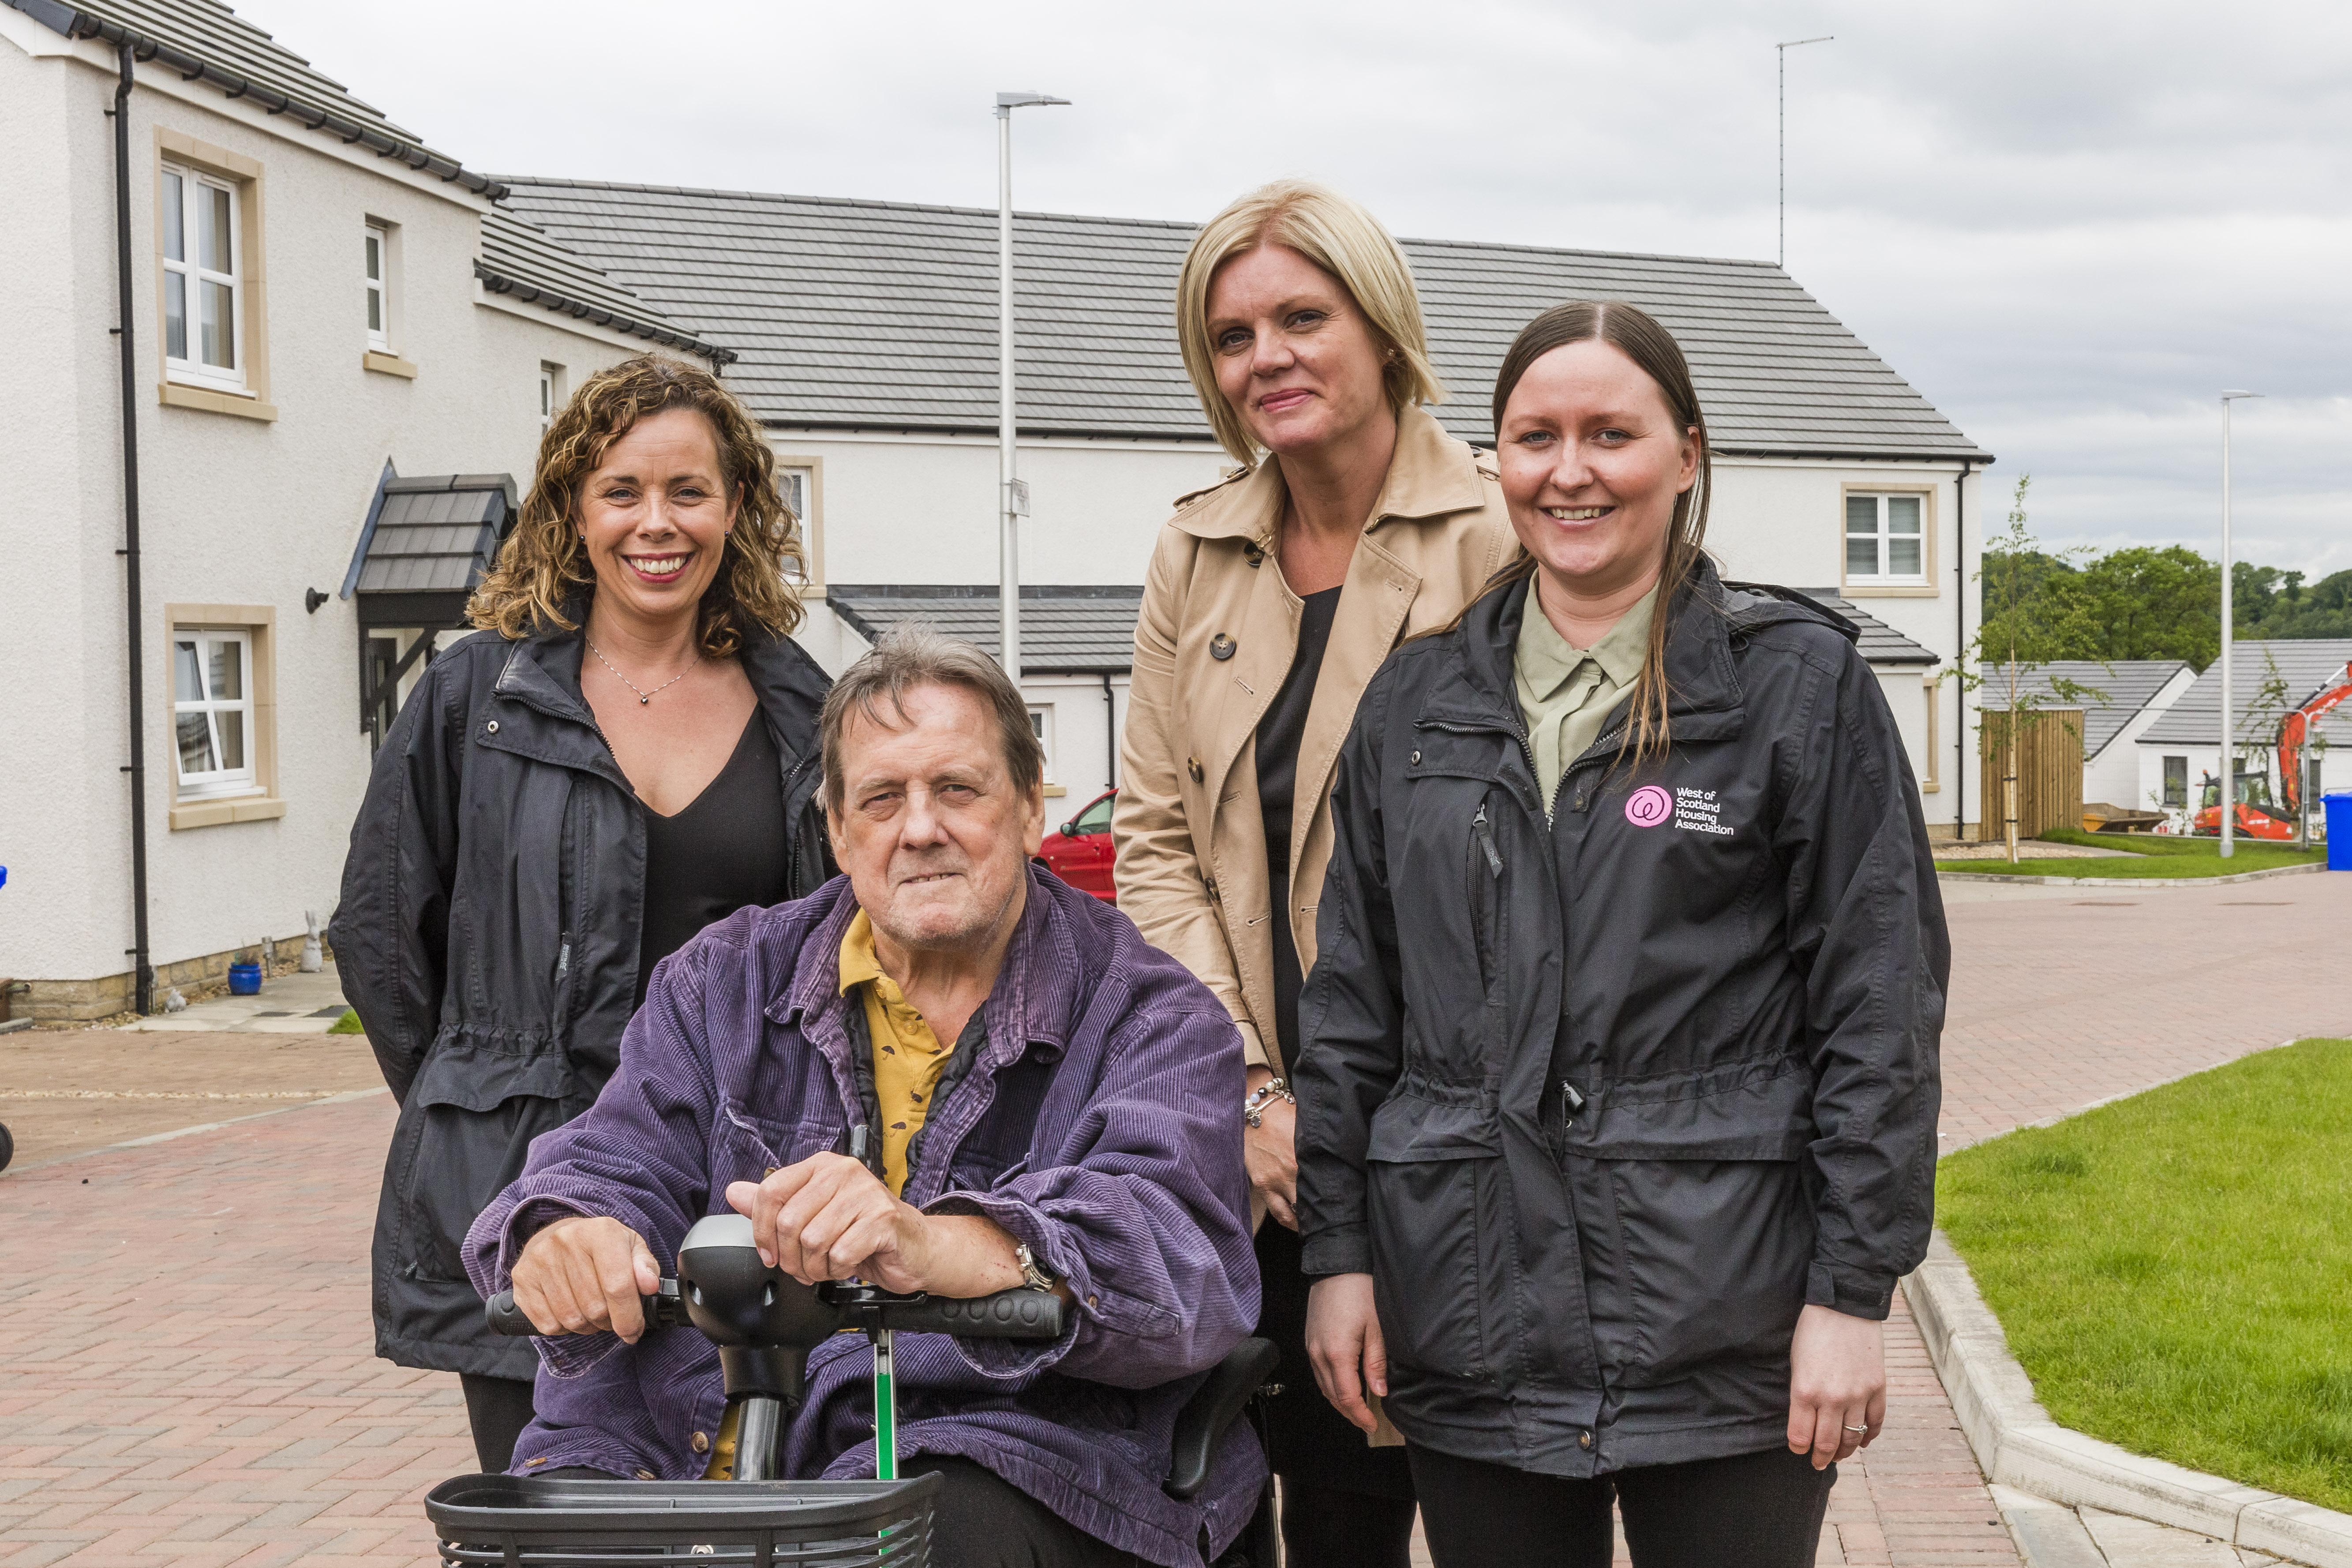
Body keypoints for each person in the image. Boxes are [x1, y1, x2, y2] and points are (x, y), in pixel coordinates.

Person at [1294, 301, 1948, 1568]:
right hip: (1468, 1309)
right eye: (1534, 436)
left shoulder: (1792, 690)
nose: (1570, 469)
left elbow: (1879, 1008)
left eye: (1611, 432)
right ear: (1496, 461)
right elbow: (1351, 1008)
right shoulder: (1415, 703)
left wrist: (1847, 1295)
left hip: (1725, 1320)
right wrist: (1337, 1255)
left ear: (1687, 453)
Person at [463, 624, 1263, 1568]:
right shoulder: (724, 975)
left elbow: (1178, 1261)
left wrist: (933, 1241)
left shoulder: (1151, 1011)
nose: (919, 827)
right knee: (528, 1540)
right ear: (839, 831)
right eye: (881, 799)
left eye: (956, 789)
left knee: (905, 1541)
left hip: (1010, 1455)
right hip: (673, 1446)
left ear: (1026, 806)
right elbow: (613, 1156)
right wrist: (567, 1228)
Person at [330, 354, 833, 1476]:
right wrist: (476, 1088)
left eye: (688, 491)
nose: (656, 523)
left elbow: (839, 952)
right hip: (528, 1192)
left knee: (750, 1515)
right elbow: (379, 934)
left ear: (737, 506)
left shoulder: (806, 707)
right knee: (561, 1523)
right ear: (572, 507)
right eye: (621, 491)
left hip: (739, 1195)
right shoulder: (480, 697)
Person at [1113, 178, 1518, 1568]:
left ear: (1382, 325)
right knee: (1305, 1507)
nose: (1265, 356)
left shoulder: (1501, 533)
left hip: (1459, 1139)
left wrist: (1373, 1122)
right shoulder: (1195, 546)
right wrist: (1248, 1094)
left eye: (1301, 316)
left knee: (1476, 1498)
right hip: (1262, 1151)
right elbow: (1154, 838)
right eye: (1231, 335)